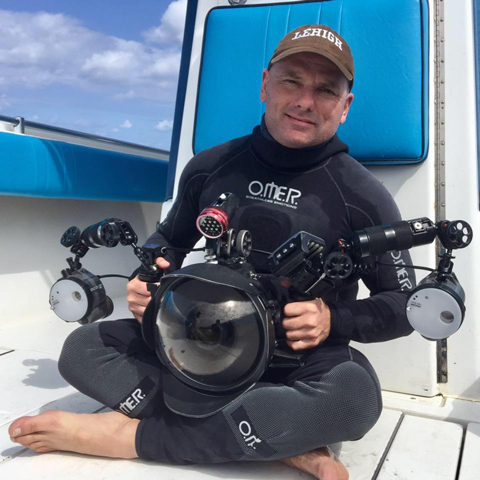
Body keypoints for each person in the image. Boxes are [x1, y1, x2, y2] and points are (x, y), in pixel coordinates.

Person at [9, 24, 415, 480]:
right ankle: (267, 437)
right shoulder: (209, 168)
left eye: (325, 90)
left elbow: (404, 307)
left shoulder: (365, 195)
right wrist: (150, 274)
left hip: (294, 361)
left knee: (354, 400)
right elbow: (168, 242)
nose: (305, 101)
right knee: (82, 350)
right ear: (265, 84)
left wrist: (331, 319)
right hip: (196, 341)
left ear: (345, 107)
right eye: (292, 81)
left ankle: (131, 438)